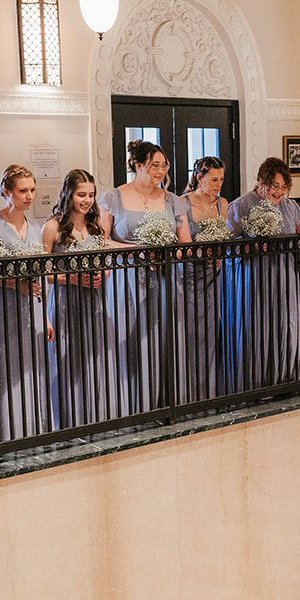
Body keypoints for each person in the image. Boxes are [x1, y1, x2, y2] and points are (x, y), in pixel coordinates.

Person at [99, 139, 187, 415]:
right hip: (125, 281)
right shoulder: (113, 197)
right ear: (138, 166)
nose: (160, 171)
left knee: (164, 338)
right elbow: (101, 241)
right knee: (129, 338)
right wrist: (137, 252)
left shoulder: (173, 200)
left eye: (163, 165)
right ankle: (130, 405)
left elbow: (184, 243)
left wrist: (167, 256)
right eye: (154, 165)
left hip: (165, 279)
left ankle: (165, 402)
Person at [0, 163, 52, 440]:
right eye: (23, 191)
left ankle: (35, 428)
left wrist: (45, 316)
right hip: (3, 307)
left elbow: (42, 275)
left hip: (32, 306)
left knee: (33, 366)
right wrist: (13, 284)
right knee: (6, 364)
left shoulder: (35, 226)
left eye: (32, 190)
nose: (29, 196)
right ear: (7, 191)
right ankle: (8, 431)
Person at [225, 156, 300, 392]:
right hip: (254, 277)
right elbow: (228, 245)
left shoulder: (291, 207)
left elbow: (294, 242)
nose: (279, 192)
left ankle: (284, 379)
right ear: (261, 181)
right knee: (258, 326)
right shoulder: (241, 205)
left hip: (283, 274)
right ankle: (255, 383)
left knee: (285, 323)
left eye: (284, 187)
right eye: (275, 186)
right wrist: (250, 246)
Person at [42, 169, 113, 428]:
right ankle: (68, 421)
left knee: (94, 357)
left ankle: (94, 416)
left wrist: (103, 273)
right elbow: (42, 272)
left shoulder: (96, 226)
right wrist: (71, 279)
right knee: (67, 359)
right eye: (81, 194)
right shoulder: (52, 228)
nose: (87, 200)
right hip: (66, 302)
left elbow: (106, 259)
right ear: (68, 194)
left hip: (94, 301)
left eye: (91, 195)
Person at [178, 155, 230, 400]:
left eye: (221, 179)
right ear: (199, 178)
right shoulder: (182, 203)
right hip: (189, 277)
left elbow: (226, 238)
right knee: (190, 332)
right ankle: (188, 391)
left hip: (214, 276)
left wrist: (219, 253)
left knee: (213, 330)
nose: (219, 184)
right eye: (213, 179)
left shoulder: (223, 204)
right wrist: (202, 253)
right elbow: (180, 243)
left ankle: (210, 390)